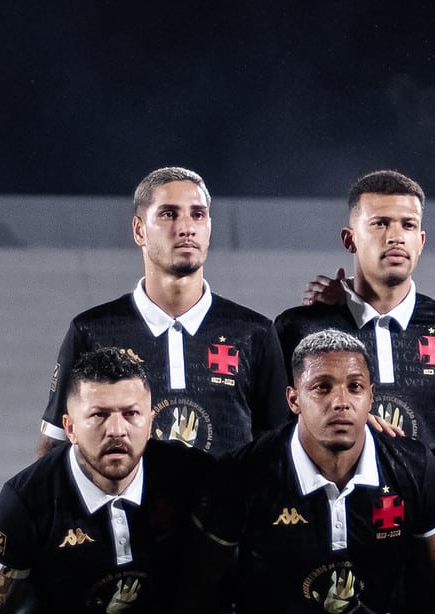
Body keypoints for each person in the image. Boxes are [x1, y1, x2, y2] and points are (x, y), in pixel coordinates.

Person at [194, 329, 435, 614]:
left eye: (355, 387)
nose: (341, 402)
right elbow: (200, 587)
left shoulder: (414, 467)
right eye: (322, 387)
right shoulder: (244, 472)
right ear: (294, 400)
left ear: (371, 396)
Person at [38, 166, 289, 457]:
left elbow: (278, 451)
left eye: (197, 214)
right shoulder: (92, 331)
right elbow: (54, 446)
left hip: (228, 503)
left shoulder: (253, 333)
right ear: (138, 230)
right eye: (169, 214)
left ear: (209, 226)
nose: (186, 227)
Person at [0, 347, 212, 614]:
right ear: (70, 428)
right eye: (99, 415)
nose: (116, 430)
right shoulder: (25, 501)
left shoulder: (190, 476)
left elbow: (202, 597)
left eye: (131, 414)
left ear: (150, 424)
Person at [276, 170, 435, 446]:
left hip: (430, 490)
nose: (396, 237)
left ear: (421, 242)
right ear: (349, 239)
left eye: (408, 225)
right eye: (380, 224)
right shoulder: (300, 328)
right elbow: (274, 426)